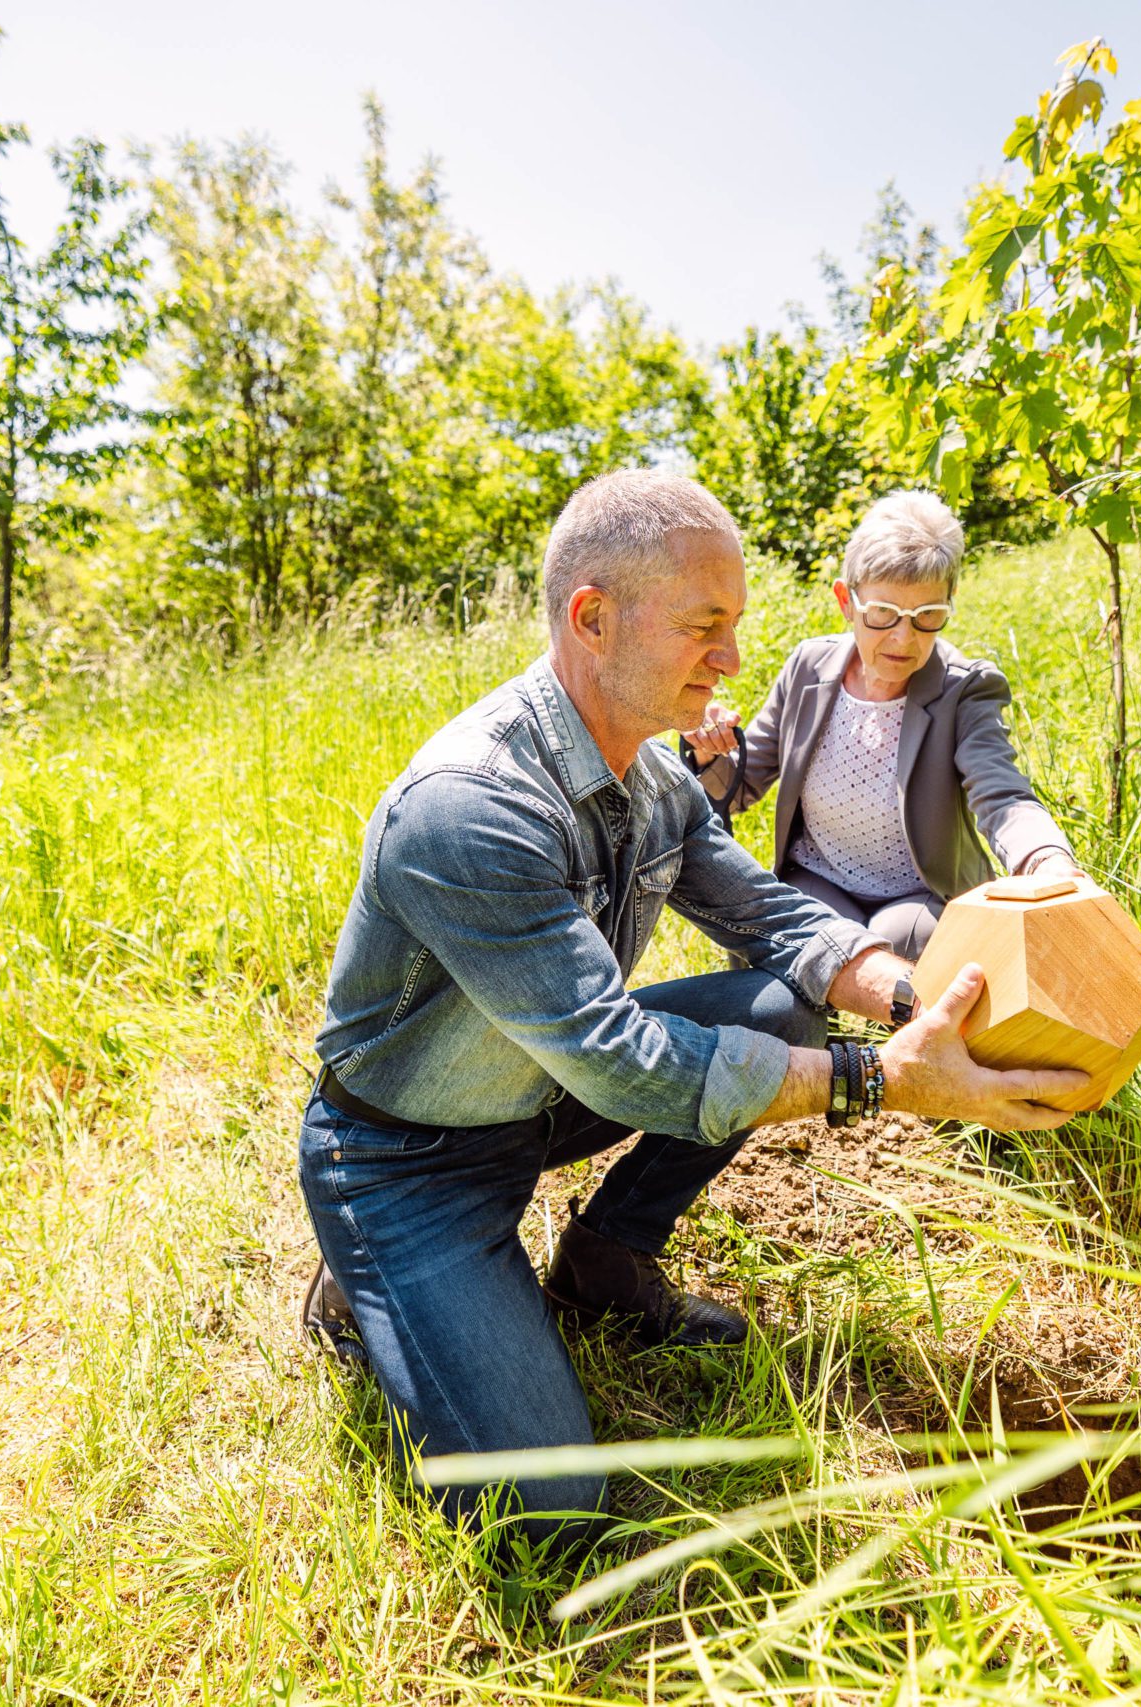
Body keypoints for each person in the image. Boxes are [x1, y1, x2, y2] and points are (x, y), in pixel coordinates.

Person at [295, 469, 1087, 1547]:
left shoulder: (655, 776)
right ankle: (370, 1277)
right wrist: (886, 1082)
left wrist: (913, 1000)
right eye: (703, 628)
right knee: (545, 1515)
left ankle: (604, 1265)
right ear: (592, 618)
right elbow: (622, 1063)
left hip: (534, 1094)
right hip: (406, 1154)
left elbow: (771, 916)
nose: (730, 660)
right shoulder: (469, 809)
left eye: (736, 626)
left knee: (782, 1008)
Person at [683, 491, 1077, 959]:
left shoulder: (965, 688)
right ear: (846, 601)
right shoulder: (808, 668)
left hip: (921, 894)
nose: (903, 638)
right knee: (806, 939)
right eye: (883, 614)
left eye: (927, 616)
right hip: (820, 881)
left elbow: (1002, 794)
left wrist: (1047, 861)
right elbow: (742, 784)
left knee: (904, 940)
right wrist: (709, 751)